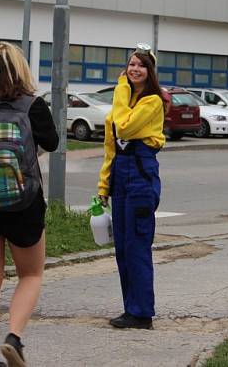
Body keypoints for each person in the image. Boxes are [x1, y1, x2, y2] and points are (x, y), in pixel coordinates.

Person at [0, 42, 58, 367]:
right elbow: (52, 142)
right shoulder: (33, 104)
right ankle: (14, 337)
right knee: (30, 275)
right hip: (25, 203)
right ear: (20, 68)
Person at [97, 43, 167, 330]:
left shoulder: (152, 101)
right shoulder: (124, 100)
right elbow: (110, 146)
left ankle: (142, 313)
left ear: (149, 71)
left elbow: (124, 127)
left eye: (141, 65)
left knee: (137, 245)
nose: (134, 69)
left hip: (140, 174)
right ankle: (131, 309)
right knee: (123, 248)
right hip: (120, 173)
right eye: (131, 64)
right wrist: (103, 186)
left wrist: (121, 90)